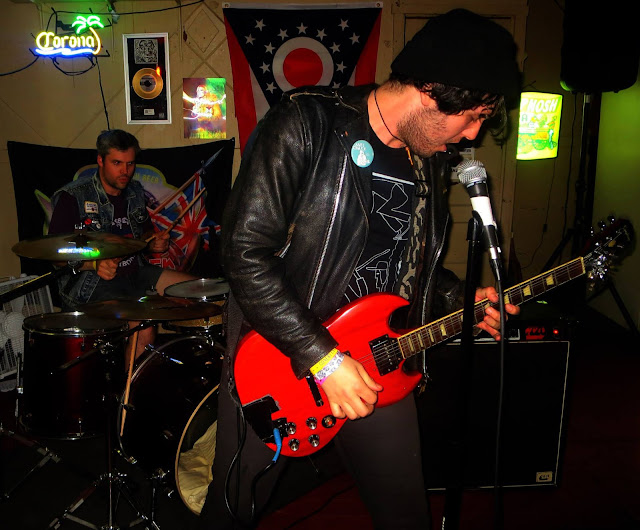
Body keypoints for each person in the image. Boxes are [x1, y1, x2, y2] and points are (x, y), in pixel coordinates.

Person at [199, 9, 521, 529]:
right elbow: (243, 253)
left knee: (406, 515)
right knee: (232, 509)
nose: (473, 135)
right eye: (472, 116)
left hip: (378, 359)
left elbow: (407, 262)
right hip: (281, 363)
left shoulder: (428, 158)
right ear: (431, 91)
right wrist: (322, 359)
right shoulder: (306, 123)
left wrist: (458, 297)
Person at [49, 129, 195, 359]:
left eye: (130, 164)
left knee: (201, 291)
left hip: (136, 272)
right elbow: (56, 254)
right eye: (117, 163)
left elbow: (144, 234)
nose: (125, 171)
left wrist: (154, 243)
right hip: (91, 283)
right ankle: (128, 384)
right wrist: (92, 264)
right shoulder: (74, 197)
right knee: (143, 326)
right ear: (100, 160)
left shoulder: (134, 191)